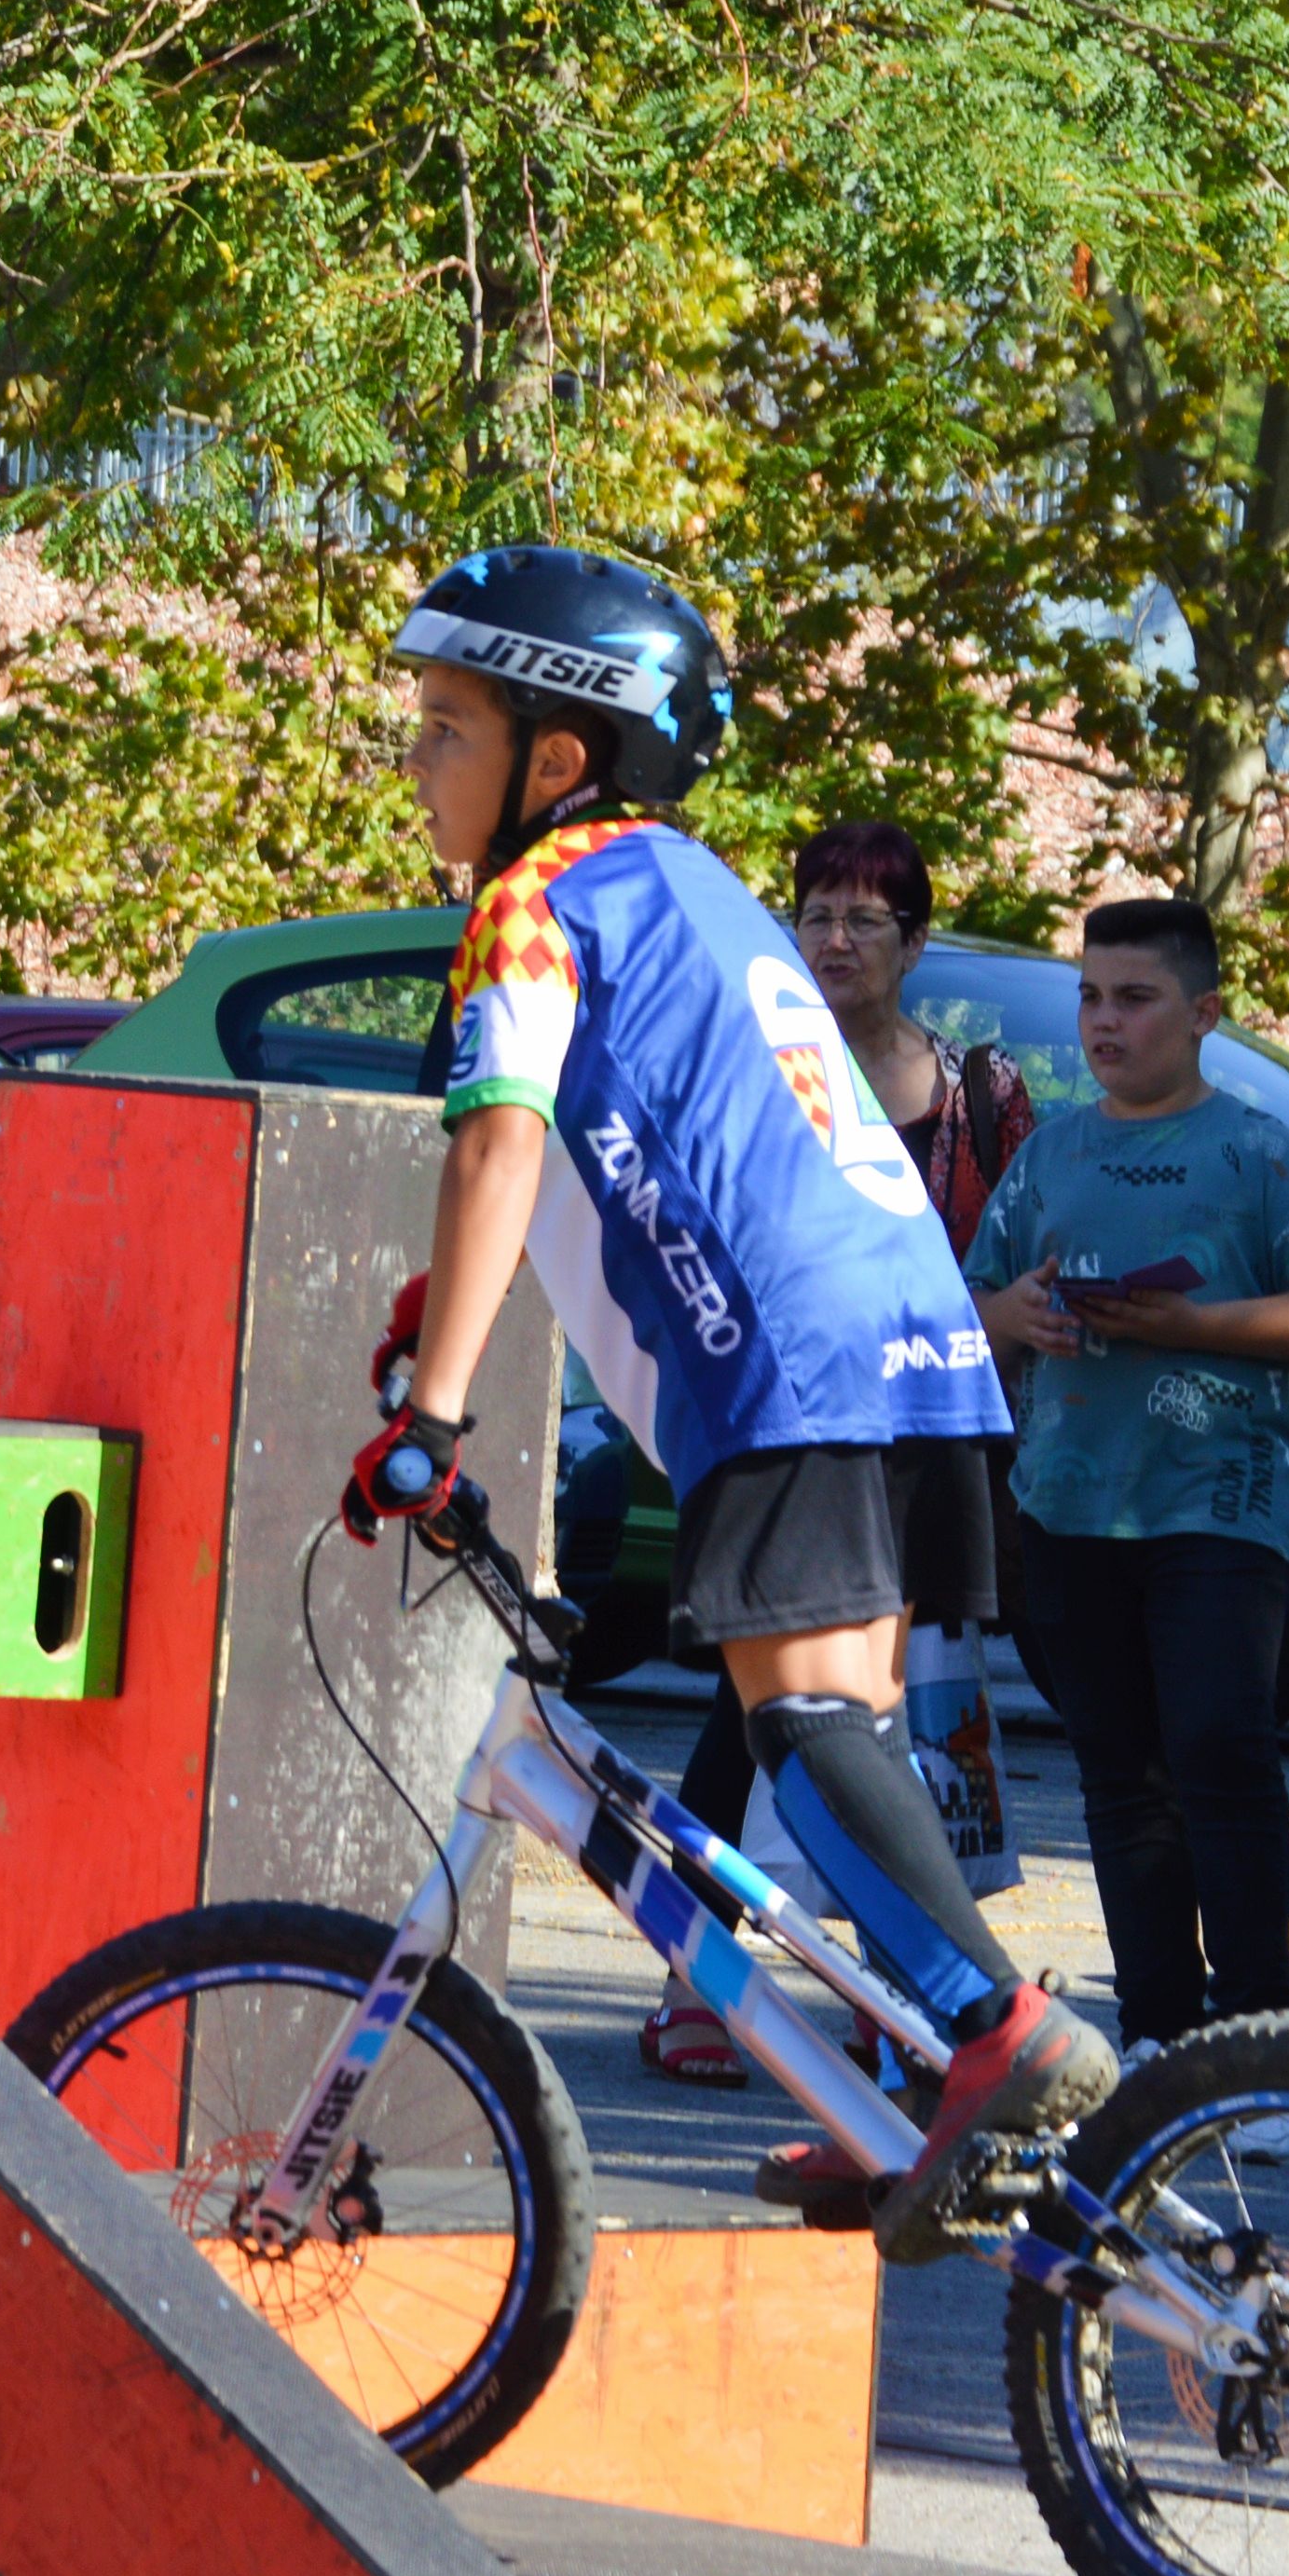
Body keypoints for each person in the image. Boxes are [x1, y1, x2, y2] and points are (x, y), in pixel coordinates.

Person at [363, 548, 1102, 2258]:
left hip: (785, 1348)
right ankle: (930, 2069)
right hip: (906, 1324)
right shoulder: (682, 879)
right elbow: (617, 1148)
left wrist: (437, 1419)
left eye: (445, 724)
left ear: (555, 761)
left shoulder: (530, 901)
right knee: (839, 1730)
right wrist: (436, 1314)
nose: (414, 758)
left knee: (805, 1729)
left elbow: (503, 1136)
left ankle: (994, 2036)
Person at [639, 815, 1035, 2087]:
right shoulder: (752, 1060)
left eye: (869, 918)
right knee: (749, 1714)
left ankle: (914, 2007)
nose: (837, 937)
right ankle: (694, 1976)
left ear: (916, 943)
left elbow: (1011, 1260)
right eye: (816, 912)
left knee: (908, 1718)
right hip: (788, 1417)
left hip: (926, 1434)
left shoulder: (982, 1094)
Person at [962, 899, 1289, 2081]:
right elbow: (973, 1300)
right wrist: (1022, 1314)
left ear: (1202, 1014)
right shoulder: (1050, 1151)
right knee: (1121, 1770)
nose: (1105, 1020)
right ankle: (1157, 2026)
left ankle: (1259, 2034)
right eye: (1092, 995)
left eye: (1134, 997)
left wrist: (1197, 1323)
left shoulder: (1253, 1148)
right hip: (1068, 1507)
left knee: (1219, 1750)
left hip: (1221, 1508)